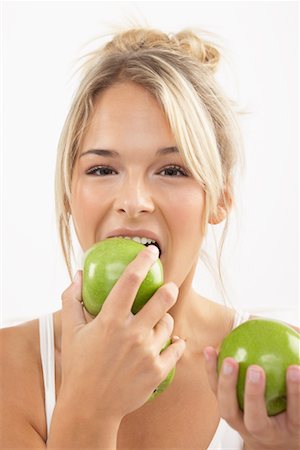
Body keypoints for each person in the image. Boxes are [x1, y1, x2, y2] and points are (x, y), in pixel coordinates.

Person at [1, 26, 299, 450]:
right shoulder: (8, 371)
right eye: (102, 170)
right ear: (70, 194)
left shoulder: (280, 378)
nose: (134, 201)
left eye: (172, 170)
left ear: (219, 198)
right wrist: (91, 405)